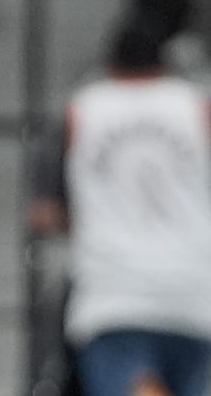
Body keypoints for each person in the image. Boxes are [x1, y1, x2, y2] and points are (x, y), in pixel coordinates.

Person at [30, 20, 211, 396]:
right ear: (164, 65)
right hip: (194, 297)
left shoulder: (81, 111)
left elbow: (47, 215)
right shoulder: (199, 109)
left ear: (110, 65)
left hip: (112, 296)